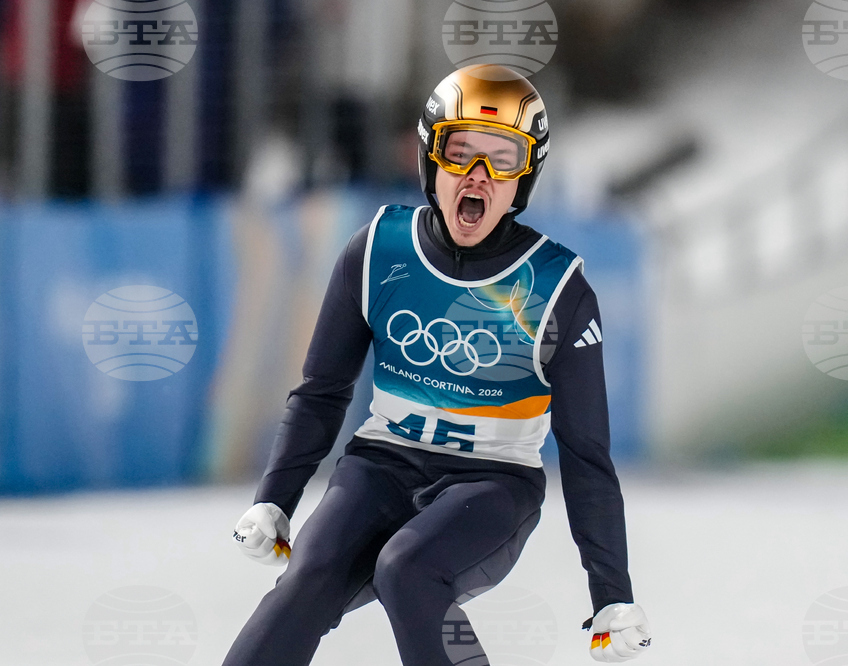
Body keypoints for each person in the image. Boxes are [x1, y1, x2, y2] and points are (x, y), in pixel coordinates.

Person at [223, 64, 652, 666]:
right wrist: (276, 498)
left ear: (524, 177)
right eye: (462, 153)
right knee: (308, 578)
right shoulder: (377, 250)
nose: (477, 177)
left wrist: (612, 594)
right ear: (431, 158)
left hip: (492, 483)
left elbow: (586, 455)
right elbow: (322, 391)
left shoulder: (558, 288)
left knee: (408, 569)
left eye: (501, 158)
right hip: (381, 465)